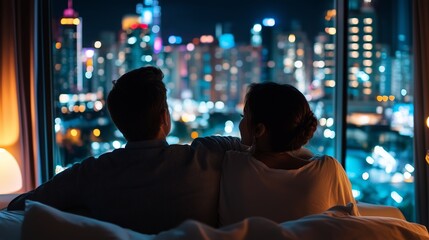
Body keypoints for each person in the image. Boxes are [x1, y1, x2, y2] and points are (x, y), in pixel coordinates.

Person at [7, 65, 244, 234]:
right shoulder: (208, 155)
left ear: (119, 123)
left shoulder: (91, 174)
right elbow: (253, 145)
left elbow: (20, 206)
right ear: (164, 117)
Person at [218, 82, 359, 226]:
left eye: (244, 116)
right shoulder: (328, 170)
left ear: (259, 130)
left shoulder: (232, 163)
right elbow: (352, 226)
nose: (240, 124)